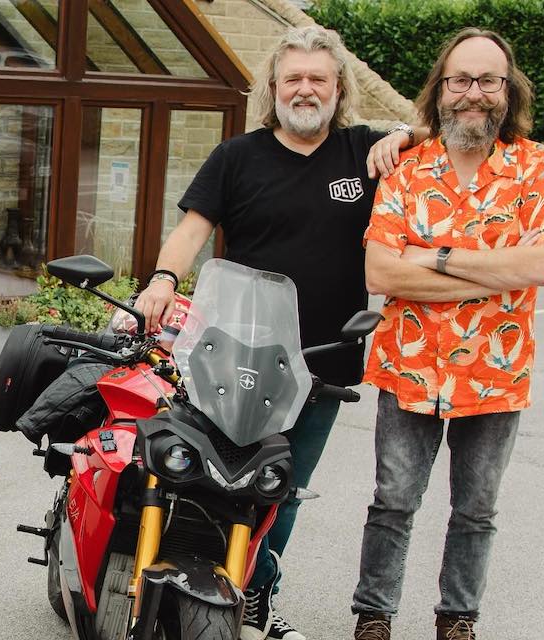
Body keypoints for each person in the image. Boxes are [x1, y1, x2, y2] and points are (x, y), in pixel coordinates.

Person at [135, 26, 424, 640]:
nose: (305, 88)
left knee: (281, 493)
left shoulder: (362, 153)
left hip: (321, 365)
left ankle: (255, 593)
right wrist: (163, 279)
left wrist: (404, 134)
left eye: (318, 78)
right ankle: (193, 587)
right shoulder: (237, 157)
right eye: (292, 77)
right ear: (273, 86)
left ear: (338, 87)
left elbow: (445, 134)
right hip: (235, 360)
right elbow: (192, 230)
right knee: (208, 479)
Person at [351, 28, 544, 640]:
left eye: (488, 80)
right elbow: (378, 270)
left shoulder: (539, 167)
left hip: (495, 373)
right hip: (407, 364)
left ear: (508, 88)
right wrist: (492, 273)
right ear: (441, 90)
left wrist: (431, 258)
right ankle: (373, 617)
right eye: (461, 80)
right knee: (393, 502)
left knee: (476, 510)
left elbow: (541, 266)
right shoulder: (407, 168)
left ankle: (457, 619)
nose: (475, 93)